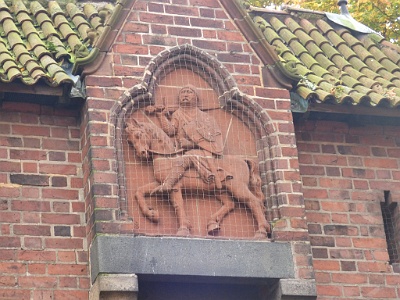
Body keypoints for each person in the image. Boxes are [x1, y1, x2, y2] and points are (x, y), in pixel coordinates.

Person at [146, 85, 228, 193]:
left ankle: (168, 184)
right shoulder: (177, 114)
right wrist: (161, 116)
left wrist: (191, 144)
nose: (185, 94)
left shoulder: (206, 117)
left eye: (189, 92)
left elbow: (213, 137)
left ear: (196, 97)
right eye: (183, 92)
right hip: (182, 150)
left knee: (184, 159)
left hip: (203, 151)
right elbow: (171, 131)